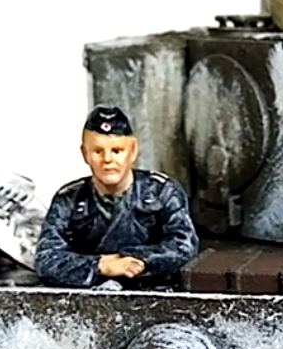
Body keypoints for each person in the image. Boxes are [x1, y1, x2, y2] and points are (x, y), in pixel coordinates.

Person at [35, 106, 199, 289]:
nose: (107, 160)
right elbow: (46, 260)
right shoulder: (69, 199)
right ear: (85, 154)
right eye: (98, 151)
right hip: (88, 297)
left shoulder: (162, 192)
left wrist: (134, 260)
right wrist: (103, 265)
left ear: (133, 151)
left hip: (153, 292)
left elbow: (183, 247)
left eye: (117, 151)